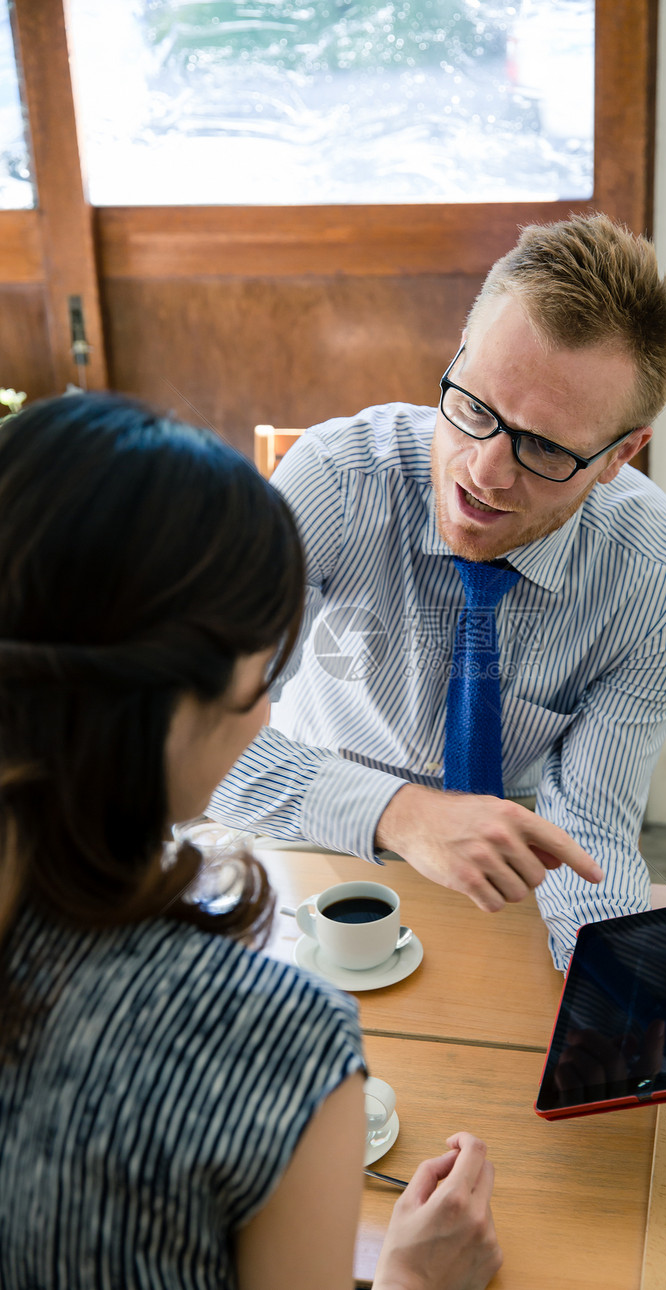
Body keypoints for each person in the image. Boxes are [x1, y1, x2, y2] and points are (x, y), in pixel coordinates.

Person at [0, 393, 502, 1290]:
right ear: (168, 706)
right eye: (265, 670)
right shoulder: (274, 1040)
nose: (271, 708)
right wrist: (416, 1281)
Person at [209, 213, 666, 970]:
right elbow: (193, 737)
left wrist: (609, 984)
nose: (482, 472)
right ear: (459, 355)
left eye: (543, 447)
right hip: (304, 840)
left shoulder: (660, 585)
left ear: (620, 454)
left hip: (501, 877)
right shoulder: (337, 482)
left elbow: (591, 829)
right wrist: (402, 814)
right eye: (475, 407)